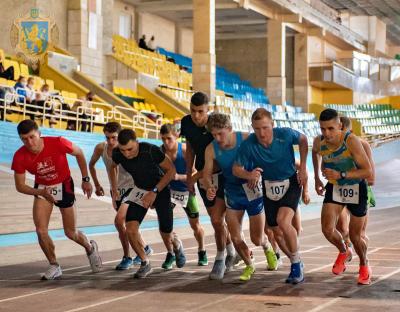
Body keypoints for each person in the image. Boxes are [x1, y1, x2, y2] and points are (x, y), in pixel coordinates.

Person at [11, 119, 102, 280]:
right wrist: (40, 192)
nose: (29, 142)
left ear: (39, 134)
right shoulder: (19, 156)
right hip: (43, 188)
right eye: (24, 139)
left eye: (32, 137)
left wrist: (86, 179)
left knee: (70, 232)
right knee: (40, 230)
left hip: (64, 185)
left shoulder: (58, 142)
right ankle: (54, 265)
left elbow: (79, 153)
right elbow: (20, 186)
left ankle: (90, 248)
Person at [232, 108, 308, 285]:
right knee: (275, 231)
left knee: (283, 221)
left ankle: (296, 266)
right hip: (269, 185)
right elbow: (236, 168)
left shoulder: (285, 134)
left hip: (291, 181)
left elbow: (303, 139)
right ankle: (295, 261)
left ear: (272, 125)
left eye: (265, 128)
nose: (261, 133)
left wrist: (303, 167)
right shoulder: (249, 144)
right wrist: (249, 174)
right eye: (257, 129)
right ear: (252, 127)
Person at [204, 113, 277, 281]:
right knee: (235, 236)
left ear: (230, 129)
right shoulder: (211, 149)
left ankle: (267, 247)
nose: (217, 138)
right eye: (213, 134)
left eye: (220, 133)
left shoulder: (246, 139)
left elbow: (264, 157)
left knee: (257, 238)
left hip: (252, 190)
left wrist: (255, 174)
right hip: (232, 192)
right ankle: (249, 265)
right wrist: (209, 187)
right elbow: (207, 174)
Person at [110, 129, 186, 278]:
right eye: (123, 150)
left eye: (130, 149)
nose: (127, 154)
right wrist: (114, 187)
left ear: (137, 143)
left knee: (166, 231)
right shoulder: (117, 153)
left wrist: (154, 192)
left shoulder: (150, 150)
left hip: (160, 188)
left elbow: (171, 171)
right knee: (130, 229)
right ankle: (145, 262)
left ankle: (176, 244)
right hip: (140, 189)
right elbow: (112, 166)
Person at [312, 108, 373, 285]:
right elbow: (316, 152)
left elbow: (367, 171)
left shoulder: (351, 141)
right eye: (323, 129)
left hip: (356, 187)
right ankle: (344, 251)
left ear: (340, 126)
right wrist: (317, 176)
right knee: (327, 229)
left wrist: (342, 175)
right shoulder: (319, 141)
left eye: (331, 128)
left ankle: (364, 263)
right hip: (335, 188)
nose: (326, 133)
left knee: (355, 236)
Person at [180, 92, 235, 280]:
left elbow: (224, 152)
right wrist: (189, 174)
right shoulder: (186, 123)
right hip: (204, 178)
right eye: (193, 111)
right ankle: (230, 252)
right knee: (216, 220)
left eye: (200, 111)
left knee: (220, 220)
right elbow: (191, 148)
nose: (196, 116)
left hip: (223, 175)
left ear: (208, 109)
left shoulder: (215, 125)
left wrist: (198, 176)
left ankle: (223, 256)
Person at [89, 122, 153, 270]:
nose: (111, 142)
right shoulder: (101, 148)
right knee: (128, 224)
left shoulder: (125, 150)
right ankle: (144, 248)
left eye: (114, 138)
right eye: (107, 138)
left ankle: (127, 257)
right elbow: (92, 165)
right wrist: (98, 185)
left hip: (134, 188)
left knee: (119, 221)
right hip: (118, 190)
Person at [160, 123, 208, 267]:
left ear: (177, 136)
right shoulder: (159, 152)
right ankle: (171, 252)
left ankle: (202, 250)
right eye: (163, 139)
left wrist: (178, 177)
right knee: (164, 227)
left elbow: (195, 174)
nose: (166, 143)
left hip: (186, 191)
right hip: (168, 192)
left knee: (196, 226)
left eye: (169, 139)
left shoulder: (186, 150)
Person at [335, 117, 376, 249]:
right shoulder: (332, 146)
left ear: (351, 131)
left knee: (359, 234)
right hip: (340, 189)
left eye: (344, 132)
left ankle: (364, 262)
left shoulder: (363, 144)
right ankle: (346, 251)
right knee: (341, 228)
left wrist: (354, 178)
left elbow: (371, 178)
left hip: (361, 188)